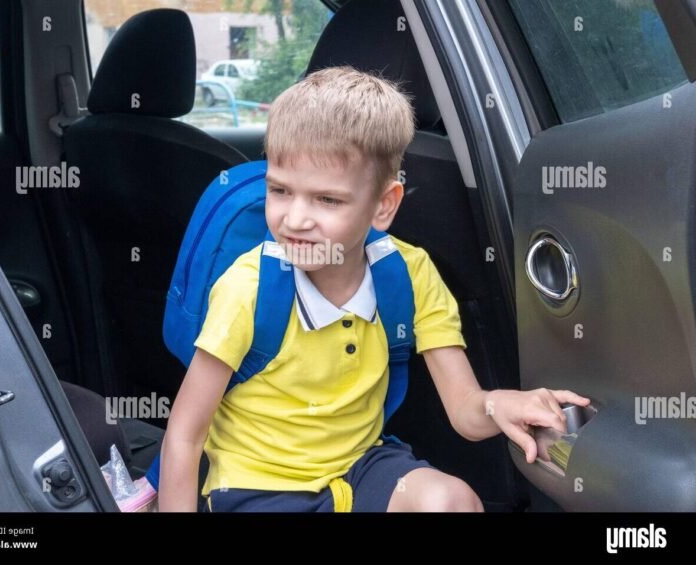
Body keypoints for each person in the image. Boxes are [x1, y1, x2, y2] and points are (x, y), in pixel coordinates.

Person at [158, 66, 589, 512]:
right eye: (280, 190)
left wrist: (500, 406)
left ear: (384, 205)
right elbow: (185, 437)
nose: (295, 218)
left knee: (451, 501)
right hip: (257, 487)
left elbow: (465, 411)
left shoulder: (408, 273)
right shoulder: (248, 289)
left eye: (327, 200)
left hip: (359, 468)